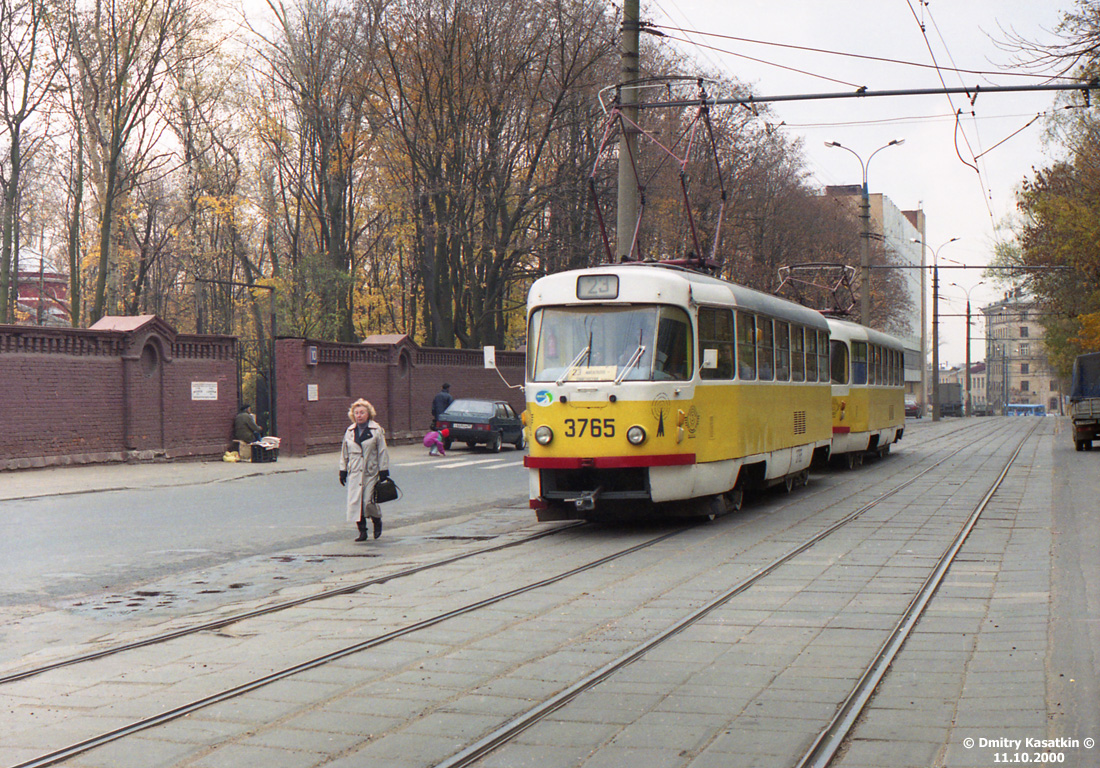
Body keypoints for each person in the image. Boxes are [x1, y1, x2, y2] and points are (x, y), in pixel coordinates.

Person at [339, 398, 390, 542]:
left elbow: (382, 450)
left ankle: (376, 520)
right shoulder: (350, 431)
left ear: (368, 414)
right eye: (356, 413)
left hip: (370, 470)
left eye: (362, 412)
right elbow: (344, 452)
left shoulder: (376, 430)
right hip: (355, 470)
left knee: (368, 501)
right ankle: (362, 531)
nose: (359, 415)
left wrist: (383, 469)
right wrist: (342, 469)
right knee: (356, 502)